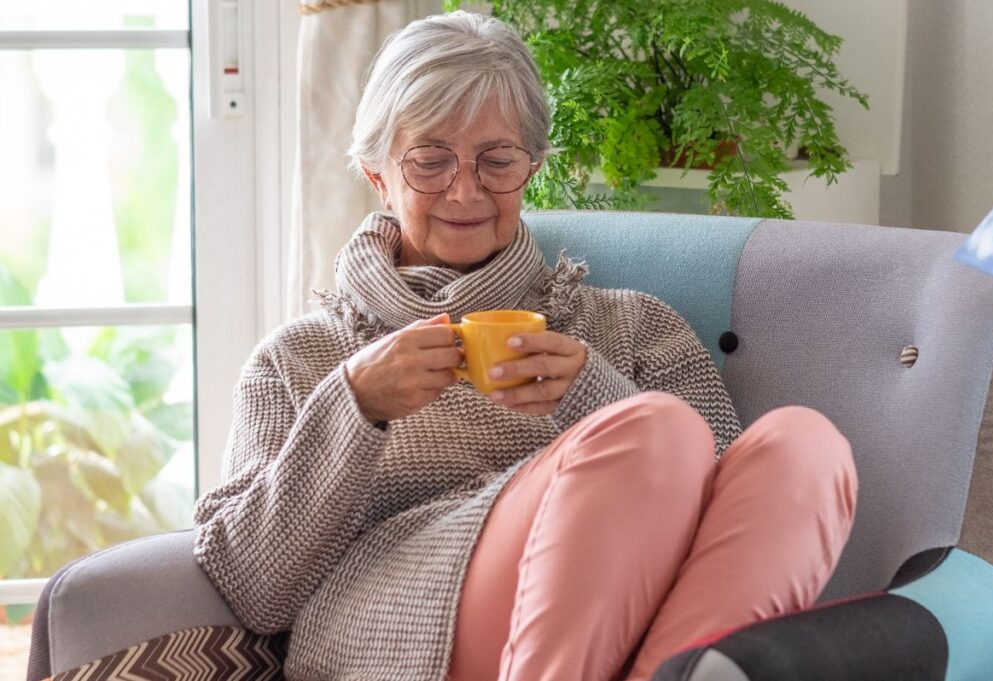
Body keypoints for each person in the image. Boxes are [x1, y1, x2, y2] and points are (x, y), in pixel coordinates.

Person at [192, 10, 857, 681]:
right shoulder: (299, 360)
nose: (465, 189)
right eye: (429, 160)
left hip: (633, 618)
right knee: (655, 426)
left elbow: (726, 511)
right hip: (406, 624)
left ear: (532, 166)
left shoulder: (635, 328)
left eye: (497, 160)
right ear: (377, 175)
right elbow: (253, 588)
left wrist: (592, 397)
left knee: (804, 445)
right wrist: (354, 405)